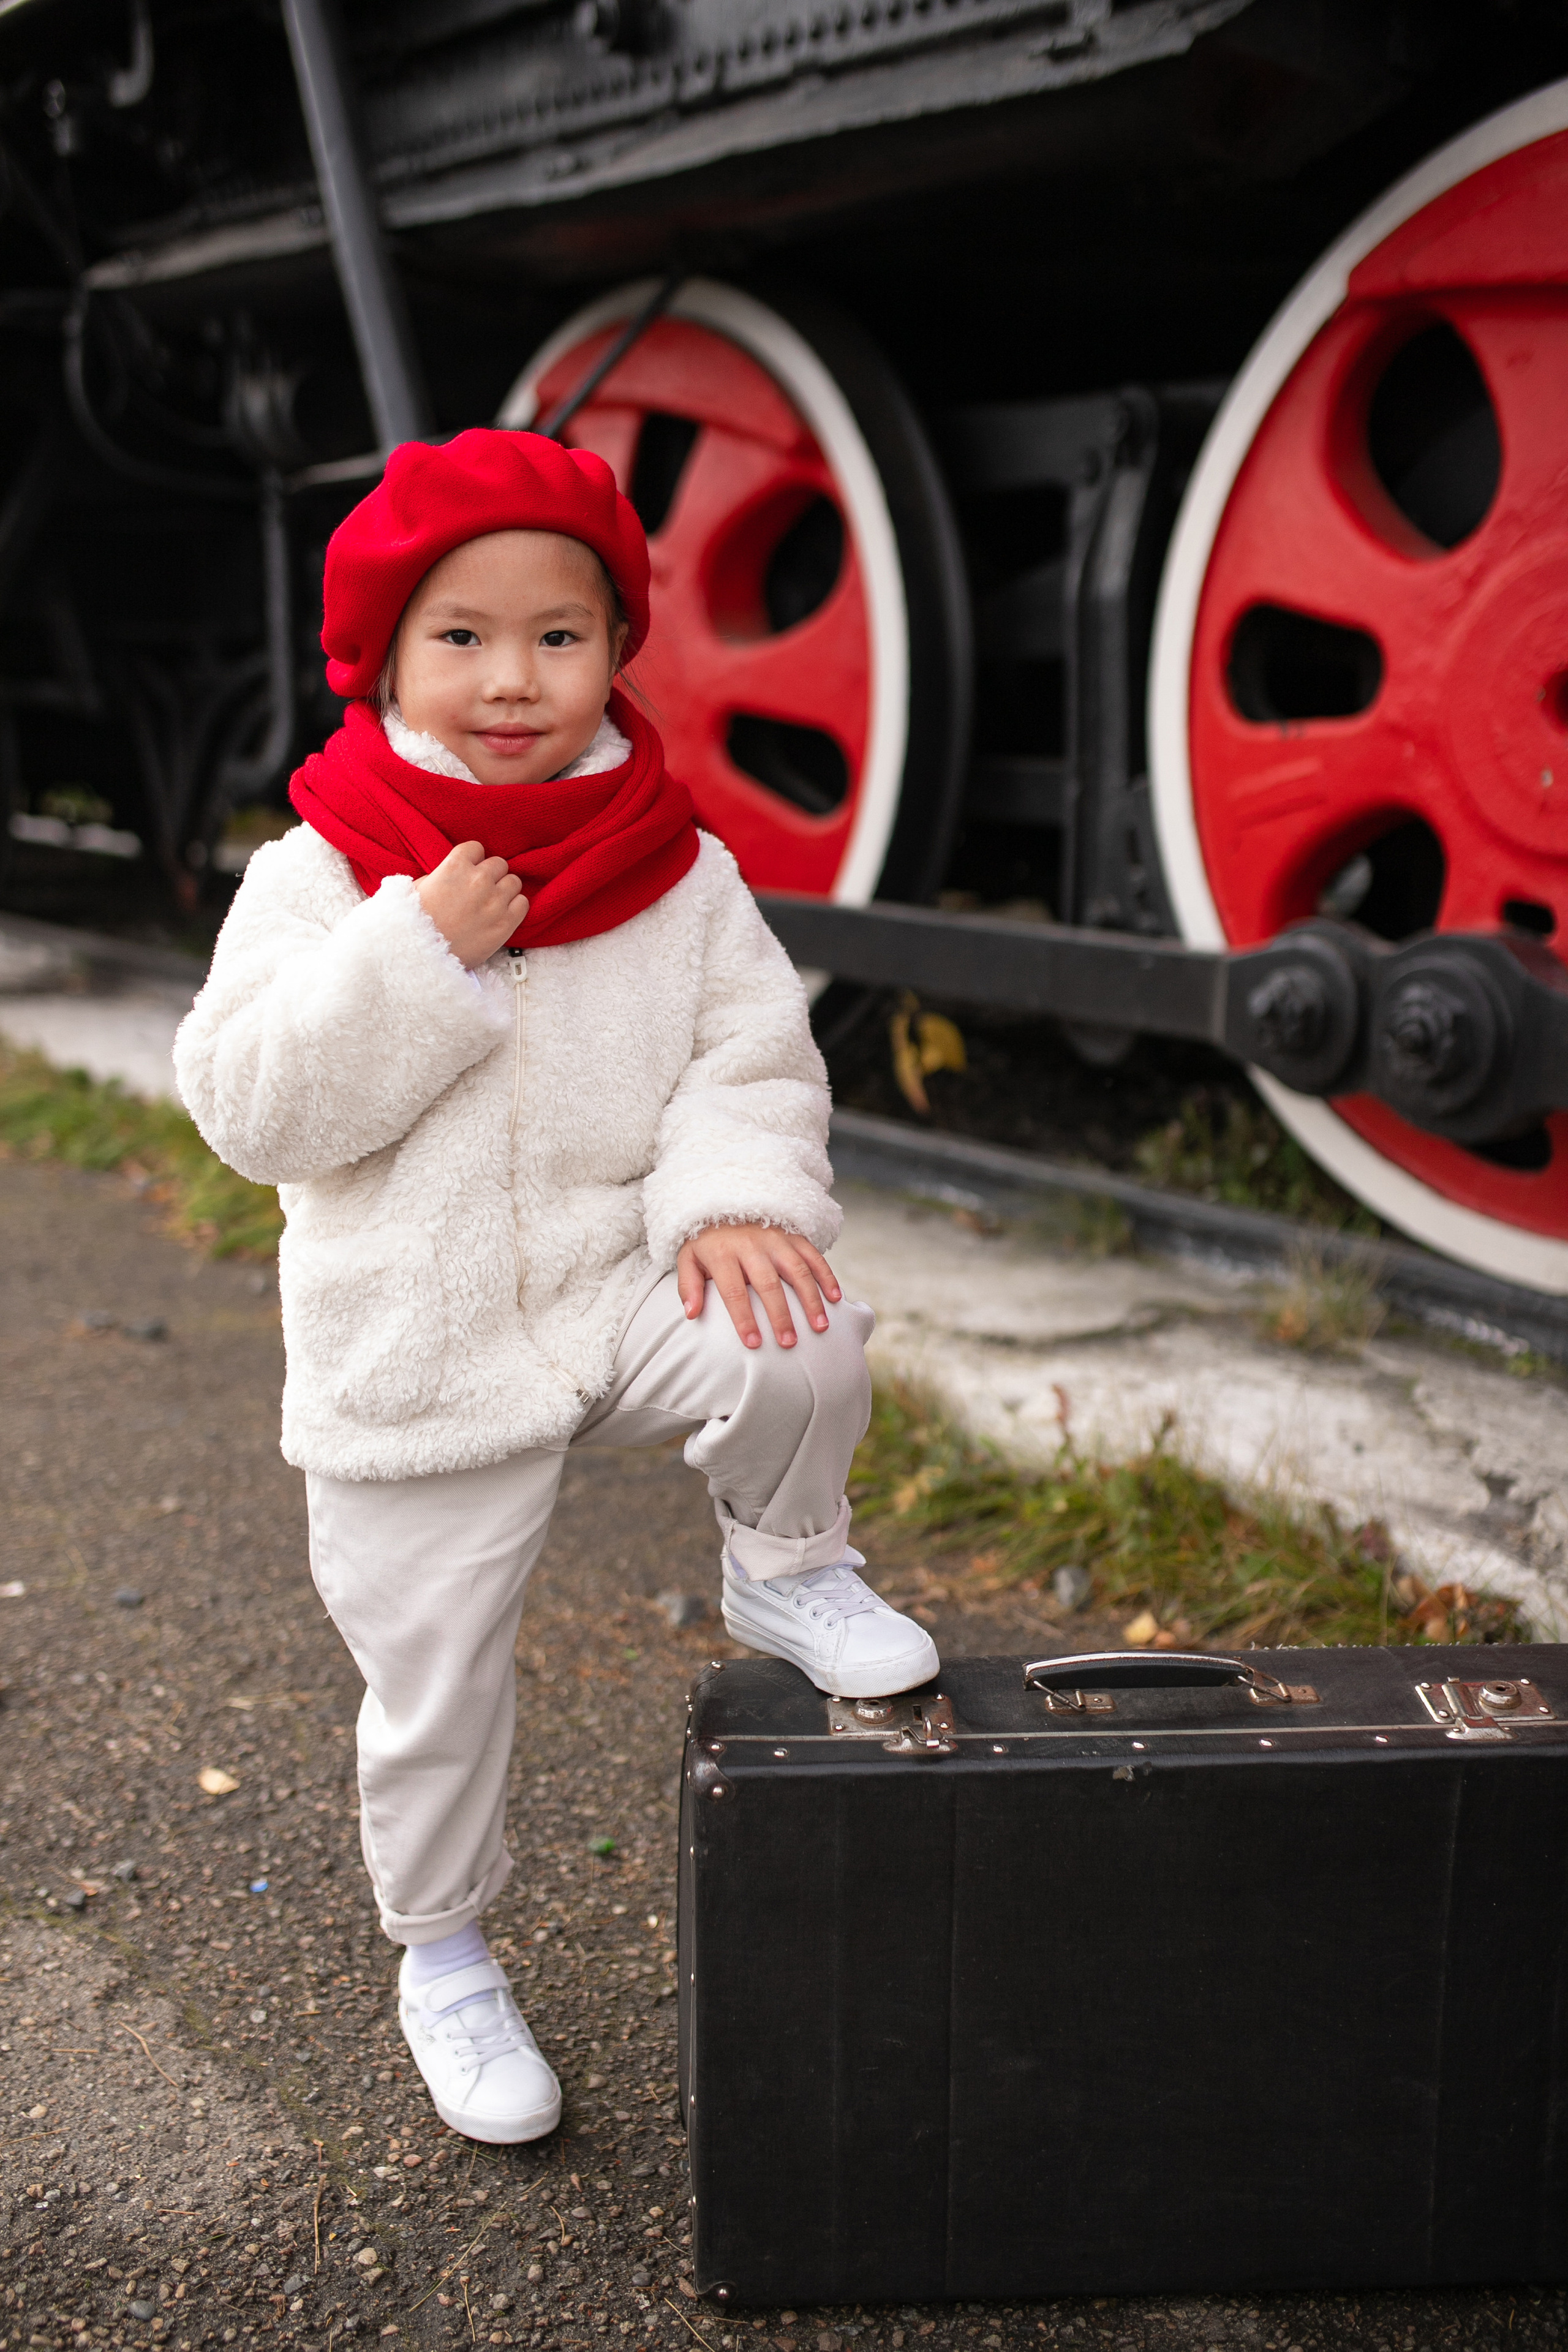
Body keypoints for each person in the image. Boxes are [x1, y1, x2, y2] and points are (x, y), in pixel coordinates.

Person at [173, 428, 940, 2148]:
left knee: (799, 1322)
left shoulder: (672, 861)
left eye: (558, 635)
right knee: (434, 1681)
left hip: (607, 1282)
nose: (512, 679)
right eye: (460, 636)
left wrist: (734, 1199)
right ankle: (442, 1952)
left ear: (615, 647)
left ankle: (789, 1568)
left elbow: (746, 1049)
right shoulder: (323, 871)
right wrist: (412, 952)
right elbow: (245, 1109)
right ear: (379, 656)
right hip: (418, 1333)